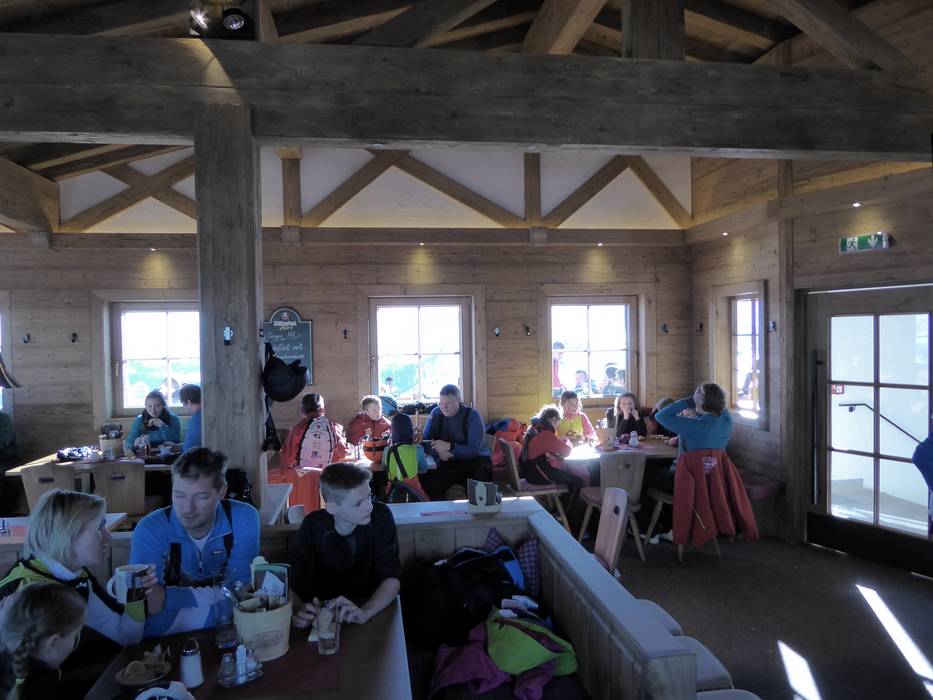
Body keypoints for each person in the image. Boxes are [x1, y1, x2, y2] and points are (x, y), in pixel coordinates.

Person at [0, 490, 155, 692]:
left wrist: (135, 596)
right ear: (68, 534)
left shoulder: (75, 575)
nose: (108, 535)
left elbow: (125, 636)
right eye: (99, 528)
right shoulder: (28, 590)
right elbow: (18, 683)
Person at [130, 447, 260, 637]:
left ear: (222, 491)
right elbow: (148, 606)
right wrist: (223, 603)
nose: (187, 508)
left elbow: (243, 592)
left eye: (201, 497)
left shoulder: (243, 517)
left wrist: (167, 598)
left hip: (226, 640)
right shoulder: (150, 529)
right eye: (179, 495)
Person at [290, 463, 401, 627]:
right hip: (322, 617)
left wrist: (365, 612)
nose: (369, 506)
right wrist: (299, 609)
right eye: (358, 504)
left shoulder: (380, 516)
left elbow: (392, 579)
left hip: (372, 609)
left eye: (369, 496)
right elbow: (289, 582)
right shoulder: (313, 525)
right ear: (332, 508)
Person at [0, 582, 87, 700]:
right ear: (53, 642)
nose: (75, 640)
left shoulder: (6, 660)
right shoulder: (45, 690)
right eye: (75, 635)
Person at [275, 393, 350, 512]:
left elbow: (286, 460)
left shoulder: (296, 430)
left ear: (302, 411)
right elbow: (343, 452)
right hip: (328, 481)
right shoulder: (334, 428)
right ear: (323, 410)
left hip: (303, 483)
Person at [420, 385, 492, 501]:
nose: (444, 407)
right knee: (429, 480)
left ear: (458, 401)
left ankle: (479, 512)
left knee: (480, 489)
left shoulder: (473, 416)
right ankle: (441, 511)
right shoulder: (436, 414)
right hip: (449, 462)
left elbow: (473, 450)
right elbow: (424, 443)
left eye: (448, 403)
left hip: (477, 461)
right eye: (441, 403)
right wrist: (438, 453)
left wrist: (450, 447)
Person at [519, 405, 588, 505]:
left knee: (568, 475)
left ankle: (561, 507)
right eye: (558, 422)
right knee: (577, 482)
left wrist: (557, 441)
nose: (557, 427)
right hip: (538, 475)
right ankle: (570, 512)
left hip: (530, 472)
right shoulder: (545, 433)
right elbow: (567, 451)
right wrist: (567, 441)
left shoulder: (534, 428)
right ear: (554, 419)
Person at [655, 383, 732, 453]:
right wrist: (704, 398)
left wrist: (690, 401)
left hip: (692, 464)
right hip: (717, 464)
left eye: (695, 399)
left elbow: (660, 416)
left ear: (700, 402)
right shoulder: (727, 421)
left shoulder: (696, 426)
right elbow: (721, 405)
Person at [383, 413, 430, 501]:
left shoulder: (386, 450)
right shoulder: (418, 449)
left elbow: (384, 468)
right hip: (413, 492)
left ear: (393, 431)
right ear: (410, 430)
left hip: (391, 494)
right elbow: (424, 469)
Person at [124, 390, 181, 455]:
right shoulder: (139, 420)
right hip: (145, 455)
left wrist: (163, 426)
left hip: (168, 455)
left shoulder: (173, 419)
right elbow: (128, 445)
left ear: (163, 405)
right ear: (145, 406)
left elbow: (176, 442)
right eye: (149, 406)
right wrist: (135, 444)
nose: (153, 409)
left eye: (157, 406)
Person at [179, 384, 202, 451]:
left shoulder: (197, 419)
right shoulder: (203, 414)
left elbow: (189, 448)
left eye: (183, 404)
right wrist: (176, 447)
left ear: (189, 402)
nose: (183, 407)